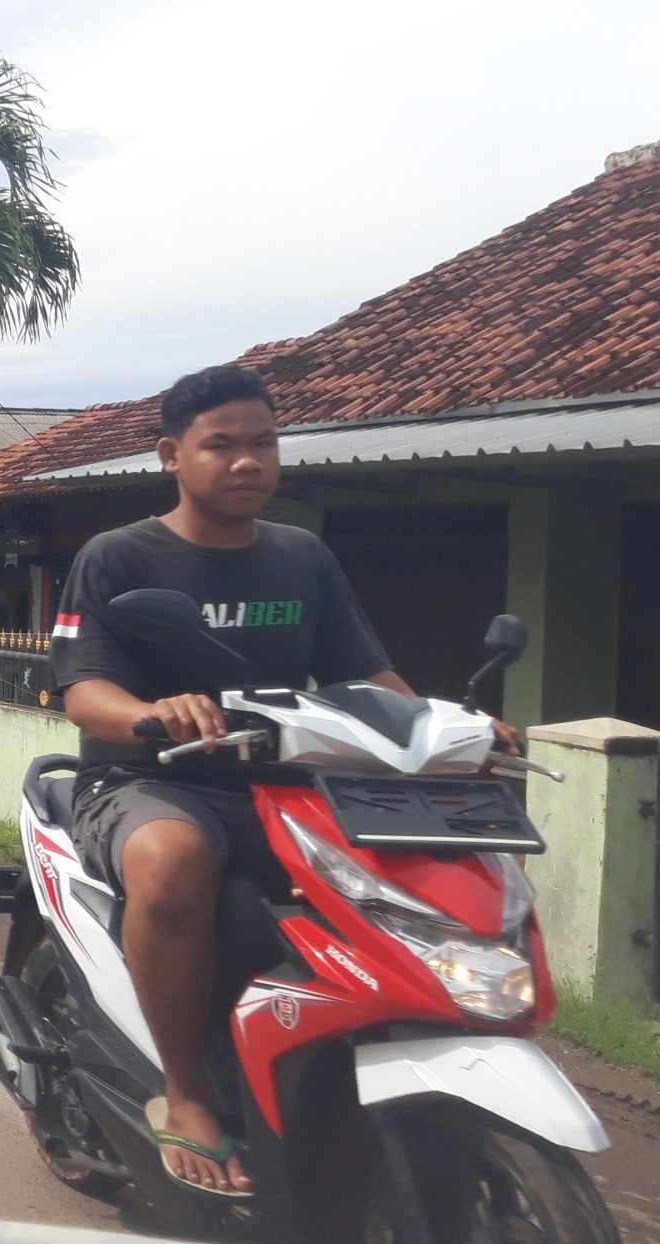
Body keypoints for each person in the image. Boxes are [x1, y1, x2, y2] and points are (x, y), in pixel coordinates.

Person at [49, 364, 516, 1201]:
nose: (247, 462)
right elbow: (82, 690)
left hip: (292, 789)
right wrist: (155, 713)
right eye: (221, 446)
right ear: (172, 455)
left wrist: (458, 733)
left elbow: (368, 675)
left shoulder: (302, 557)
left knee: (402, 879)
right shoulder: (118, 556)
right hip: (148, 783)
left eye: (262, 443)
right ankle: (187, 1091)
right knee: (173, 859)